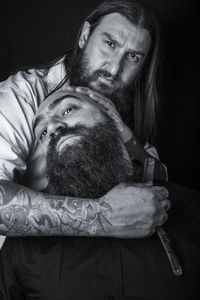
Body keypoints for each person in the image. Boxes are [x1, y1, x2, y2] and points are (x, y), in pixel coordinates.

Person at [0, 91, 199, 300]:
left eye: (68, 110)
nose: (51, 128)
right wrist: (106, 215)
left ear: (110, 116)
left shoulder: (192, 212)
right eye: (41, 133)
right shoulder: (22, 249)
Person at [0, 0, 169, 241]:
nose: (114, 68)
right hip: (23, 268)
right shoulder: (20, 97)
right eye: (110, 44)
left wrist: (126, 135)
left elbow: (161, 190)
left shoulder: (123, 105)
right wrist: (102, 217)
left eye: (132, 56)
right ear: (85, 36)